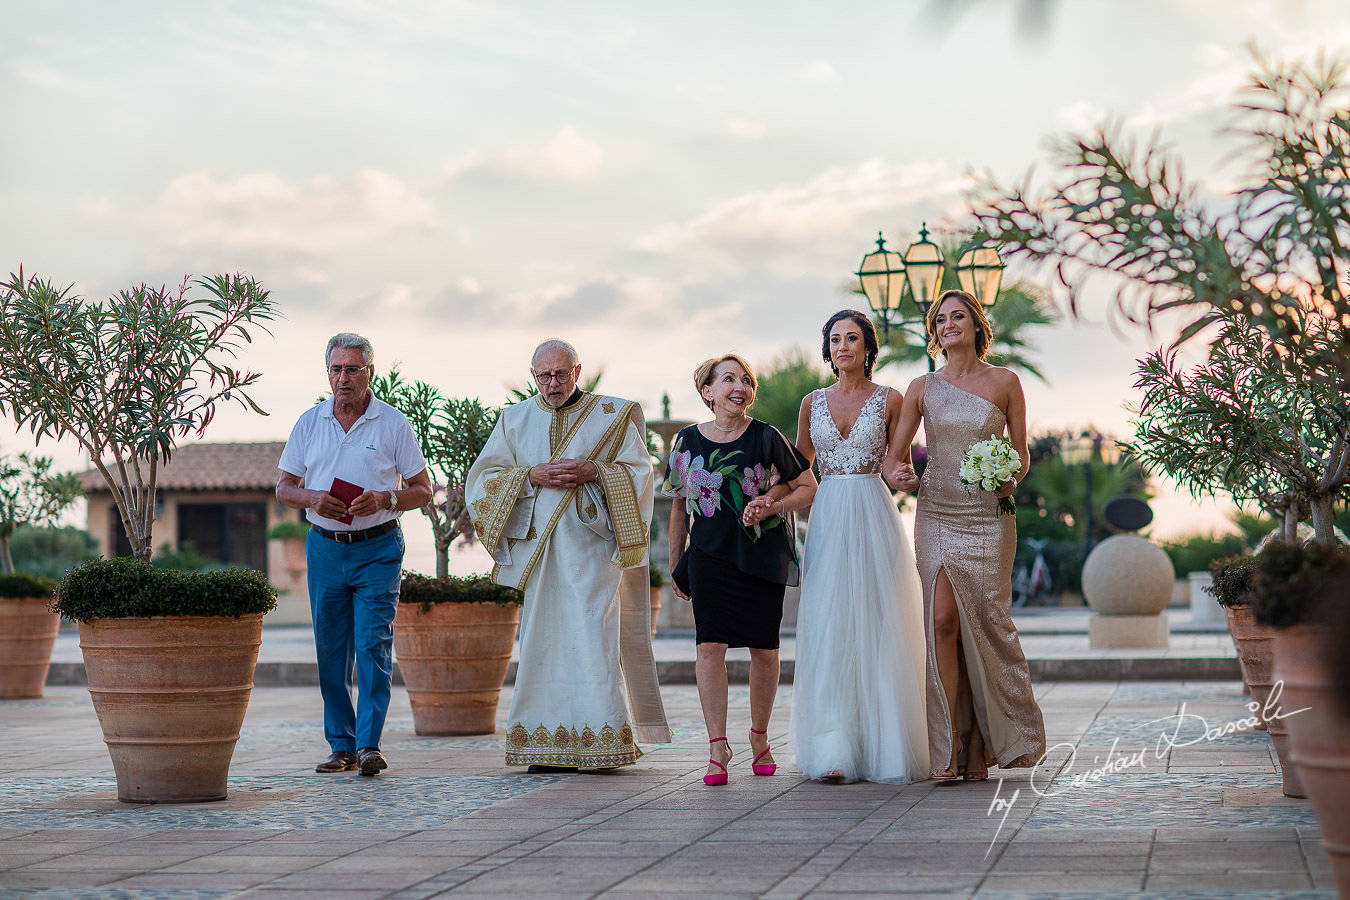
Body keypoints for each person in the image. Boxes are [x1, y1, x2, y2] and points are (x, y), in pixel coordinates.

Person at [465, 339, 670, 773]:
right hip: (538, 552)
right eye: (544, 376)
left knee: (592, 637)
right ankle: (544, 746)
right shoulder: (515, 419)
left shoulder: (611, 415)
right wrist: (530, 475)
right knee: (543, 641)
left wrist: (595, 471)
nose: (553, 383)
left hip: (593, 551)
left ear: (578, 372)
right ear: (533, 375)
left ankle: (600, 742)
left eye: (561, 374)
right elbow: (482, 480)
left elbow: (640, 471)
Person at [887, 290, 1047, 781]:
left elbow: (1018, 456)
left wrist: (1007, 477)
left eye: (958, 316)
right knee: (942, 623)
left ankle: (984, 742)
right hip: (936, 512)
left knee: (989, 624)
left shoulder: (1006, 382)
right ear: (934, 332)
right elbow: (895, 460)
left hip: (989, 517)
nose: (948, 324)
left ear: (977, 325)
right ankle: (949, 747)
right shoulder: (922, 387)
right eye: (940, 319)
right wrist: (903, 477)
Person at [277, 333, 434, 777]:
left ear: (370, 372)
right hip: (325, 549)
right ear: (327, 373)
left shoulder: (393, 424)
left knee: (373, 646)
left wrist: (386, 498)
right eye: (336, 369)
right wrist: (313, 498)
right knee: (331, 652)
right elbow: (283, 488)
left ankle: (368, 745)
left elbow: (423, 490)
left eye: (352, 369)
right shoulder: (309, 423)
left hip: (379, 549)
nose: (343, 378)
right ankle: (340, 745)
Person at [787, 310, 929, 784]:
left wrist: (904, 477)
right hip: (828, 516)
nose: (843, 346)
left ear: (869, 348)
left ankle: (885, 747)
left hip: (873, 510)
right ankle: (833, 748)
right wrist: (766, 490)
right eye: (835, 339)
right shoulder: (812, 403)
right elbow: (800, 463)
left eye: (852, 338)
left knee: (877, 620)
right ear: (827, 349)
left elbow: (894, 464)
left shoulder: (890, 399)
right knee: (831, 624)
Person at [665, 354, 816, 786]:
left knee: (765, 651)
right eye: (728, 379)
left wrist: (774, 503)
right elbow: (678, 504)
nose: (740, 386)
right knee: (709, 648)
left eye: (746, 380)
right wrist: (678, 562)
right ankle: (717, 748)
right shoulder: (687, 441)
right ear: (707, 391)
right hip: (709, 558)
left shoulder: (767, 437)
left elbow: (808, 487)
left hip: (761, 555)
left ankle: (760, 738)